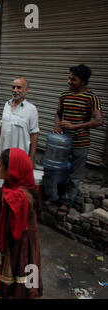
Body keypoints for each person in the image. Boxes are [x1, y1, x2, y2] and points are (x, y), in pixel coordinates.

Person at [0, 148, 43, 299]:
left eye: (1, 165)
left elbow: (9, 231)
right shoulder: (9, 187)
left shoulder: (19, 198)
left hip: (20, 245)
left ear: (13, 170)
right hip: (16, 243)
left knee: (19, 284)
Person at [45, 64, 103, 214]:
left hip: (80, 143)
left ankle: (66, 202)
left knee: (74, 176)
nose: (69, 81)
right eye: (69, 78)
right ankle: (53, 197)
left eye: (74, 79)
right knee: (52, 169)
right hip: (61, 143)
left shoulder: (91, 98)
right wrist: (57, 124)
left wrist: (74, 126)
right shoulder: (65, 95)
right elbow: (58, 113)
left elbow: (99, 120)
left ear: (83, 82)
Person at [0, 77, 39, 212]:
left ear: (26, 90)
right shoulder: (7, 105)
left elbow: (34, 134)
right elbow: (1, 127)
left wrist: (31, 157)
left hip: (19, 154)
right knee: (1, 180)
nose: (15, 90)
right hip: (3, 149)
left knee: (15, 182)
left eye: (19, 87)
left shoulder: (31, 109)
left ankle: (12, 210)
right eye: (13, 87)